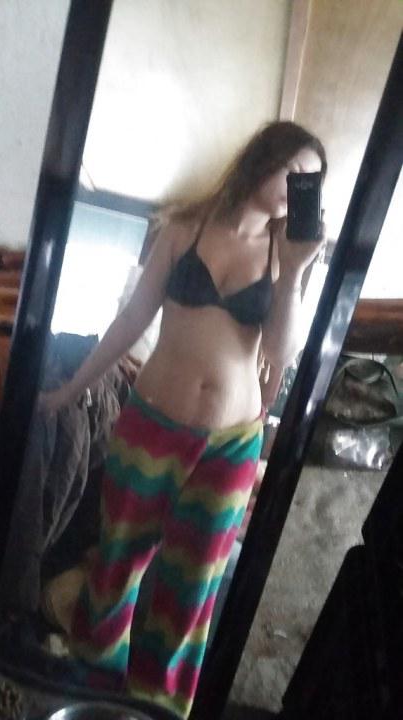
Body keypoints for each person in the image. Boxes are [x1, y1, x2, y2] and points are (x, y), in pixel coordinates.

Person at [41, 121, 327, 719]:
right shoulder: (182, 230)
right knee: (118, 562)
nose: (298, 187)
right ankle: (95, 696)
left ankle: (158, 707)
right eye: (293, 171)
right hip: (151, 427)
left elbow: (282, 352)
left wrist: (296, 272)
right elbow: (130, 321)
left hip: (230, 446)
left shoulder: (286, 256)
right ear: (263, 159)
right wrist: (72, 387)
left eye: (311, 181)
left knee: (191, 587)